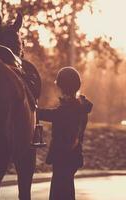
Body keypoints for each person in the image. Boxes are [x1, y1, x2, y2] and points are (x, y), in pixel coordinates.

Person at [37, 66, 93, 200]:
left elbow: (54, 115)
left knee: (59, 193)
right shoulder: (80, 106)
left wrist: (33, 110)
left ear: (62, 86)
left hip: (64, 157)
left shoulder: (71, 108)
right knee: (67, 192)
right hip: (72, 157)